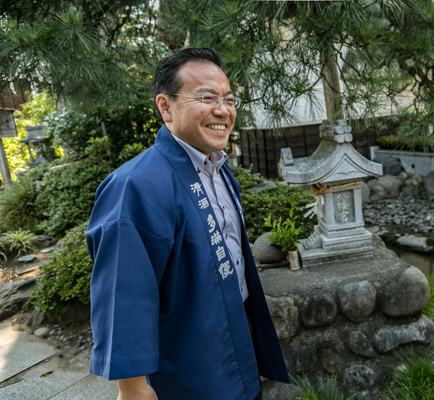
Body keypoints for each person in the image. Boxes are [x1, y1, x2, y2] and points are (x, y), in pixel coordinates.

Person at [86, 48, 290, 400]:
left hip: (232, 341)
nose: (222, 111)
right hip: (186, 363)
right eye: (206, 98)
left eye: (228, 99)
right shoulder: (135, 186)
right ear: (165, 107)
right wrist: (133, 388)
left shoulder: (219, 169)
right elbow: (124, 293)